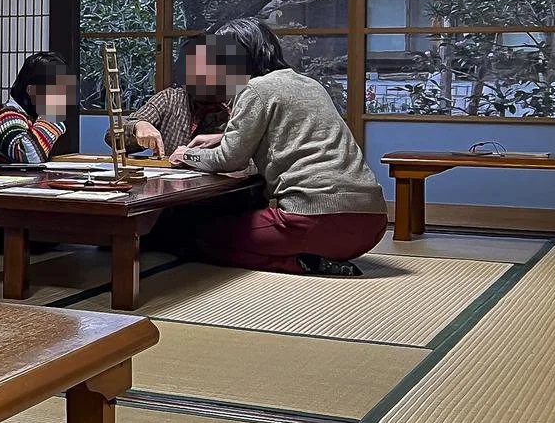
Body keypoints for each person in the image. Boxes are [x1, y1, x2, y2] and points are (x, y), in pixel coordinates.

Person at [170, 17, 388, 276]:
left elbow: (230, 161)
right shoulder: (309, 83)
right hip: (372, 224)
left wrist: (188, 154)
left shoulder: (254, 89)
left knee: (197, 236)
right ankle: (318, 257)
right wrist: (221, 137)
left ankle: (298, 263)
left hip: (314, 220)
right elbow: (293, 131)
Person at [107, 36, 229, 159]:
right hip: (169, 176)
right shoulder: (170, 99)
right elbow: (112, 135)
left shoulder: (234, 104)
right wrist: (139, 125)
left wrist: (224, 139)